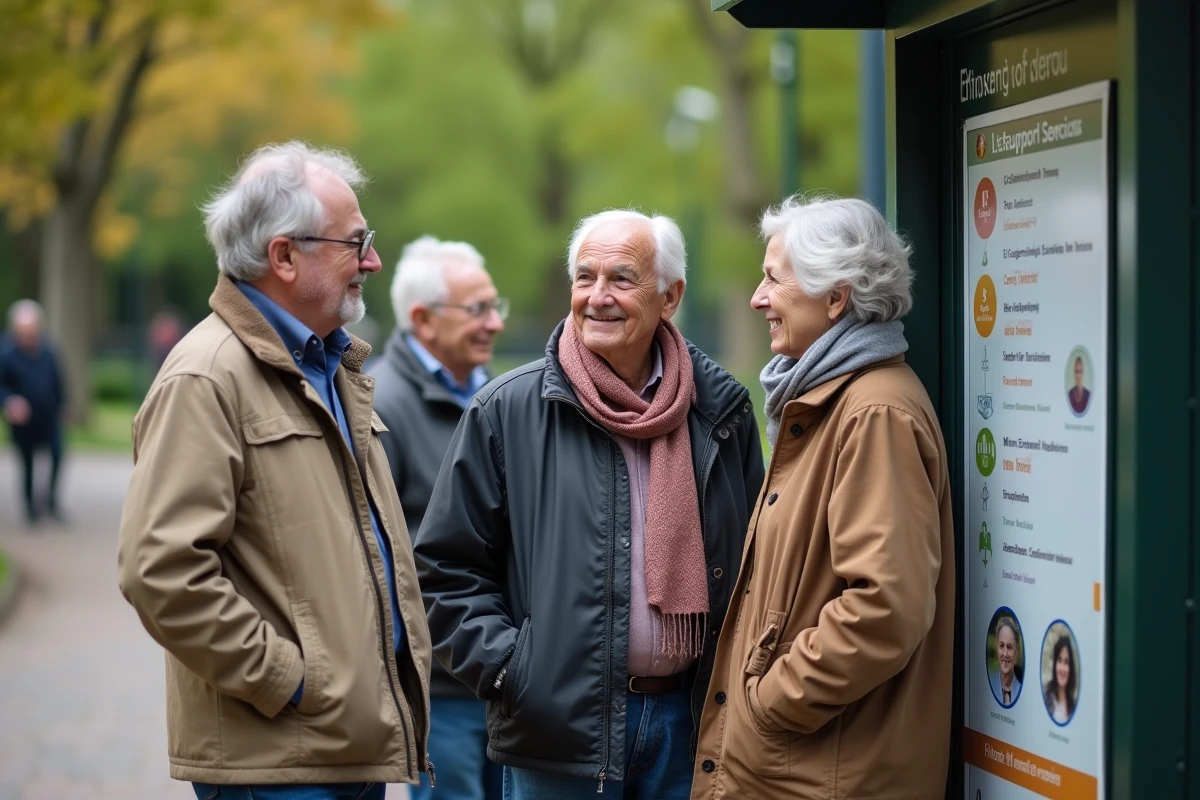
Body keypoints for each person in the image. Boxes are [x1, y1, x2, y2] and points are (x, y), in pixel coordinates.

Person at [117, 141, 433, 800]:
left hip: (343, 747)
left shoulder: (330, 366)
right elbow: (161, 571)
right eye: (355, 242)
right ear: (284, 255)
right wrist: (290, 680)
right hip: (280, 762)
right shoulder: (206, 376)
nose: (373, 260)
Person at [415, 209, 764, 800]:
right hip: (559, 733)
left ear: (670, 296)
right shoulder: (507, 410)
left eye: (622, 279)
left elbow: (757, 562)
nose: (597, 297)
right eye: (585, 277)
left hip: (694, 725)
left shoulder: (720, 410)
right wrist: (514, 672)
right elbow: (444, 571)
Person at [692, 195, 955, 800]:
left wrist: (771, 703)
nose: (758, 298)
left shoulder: (873, 413)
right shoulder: (829, 400)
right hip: (805, 766)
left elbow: (886, 605)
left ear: (835, 298)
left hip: (822, 772)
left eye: (773, 280)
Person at [369, 235, 507, 800]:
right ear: (423, 321)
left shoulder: (500, 395)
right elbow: (380, 555)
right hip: (442, 688)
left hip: (505, 682)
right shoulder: (379, 404)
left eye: (496, 306)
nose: (495, 323)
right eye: (478, 309)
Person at [0, 300, 67, 527]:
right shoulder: (6, 353)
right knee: (27, 463)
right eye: (24, 330)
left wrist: (62, 404)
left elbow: (57, 380)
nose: (29, 334)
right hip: (23, 421)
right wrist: (10, 401)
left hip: (48, 418)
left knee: (58, 455)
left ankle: (50, 502)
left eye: (32, 329)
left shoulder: (47, 350)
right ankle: (30, 508)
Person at [990, 617, 1023, 708]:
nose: (1005, 653)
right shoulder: (989, 687)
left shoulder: (1023, 691)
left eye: (1009, 647)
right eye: (1001, 646)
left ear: (1016, 651)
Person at [1043, 635, 1077, 724]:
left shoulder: (1073, 705)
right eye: (1059, 660)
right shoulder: (1045, 699)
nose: (1062, 668)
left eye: (1066, 662)